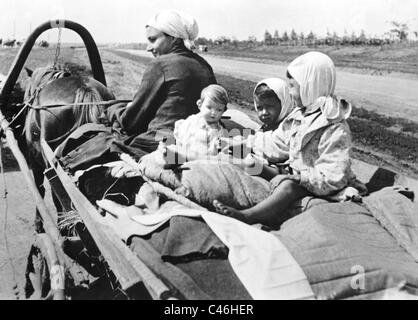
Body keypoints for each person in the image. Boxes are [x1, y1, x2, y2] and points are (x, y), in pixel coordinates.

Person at [213, 51, 366, 229]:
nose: (291, 93)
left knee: (287, 188)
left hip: (319, 182)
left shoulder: (334, 126)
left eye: (293, 87)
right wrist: (245, 143)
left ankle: (248, 216)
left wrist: (299, 178)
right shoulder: (299, 115)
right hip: (297, 173)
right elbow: (276, 142)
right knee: (255, 167)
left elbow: (333, 175)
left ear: (311, 85)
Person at [106, 10, 217, 159]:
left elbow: (131, 122)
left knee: (100, 140)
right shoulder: (204, 65)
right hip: (199, 141)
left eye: (152, 40)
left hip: (163, 142)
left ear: (173, 38)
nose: (148, 47)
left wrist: (113, 110)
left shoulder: (160, 65)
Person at [160, 84, 229, 164]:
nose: (213, 113)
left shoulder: (219, 131)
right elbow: (179, 137)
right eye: (209, 107)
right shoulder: (191, 121)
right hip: (183, 153)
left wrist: (217, 147)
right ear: (200, 104)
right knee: (168, 145)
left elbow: (215, 153)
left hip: (201, 161)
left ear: (223, 111)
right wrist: (175, 147)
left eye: (219, 110)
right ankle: (172, 157)